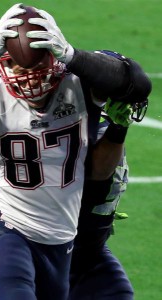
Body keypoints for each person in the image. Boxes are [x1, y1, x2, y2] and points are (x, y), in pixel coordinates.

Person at [0, 3, 151, 300]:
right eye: (17, 66)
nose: (28, 77)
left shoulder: (79, 78)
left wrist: (71, 54)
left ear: (54, 56)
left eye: (37, 67)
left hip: (65, 235)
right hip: (8, 225)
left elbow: (137, 83)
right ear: (5, 60)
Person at [69, 107, 134, 300]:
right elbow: (99, 171)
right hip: (53, 249)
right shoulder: (81, 128)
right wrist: (118, 128)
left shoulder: (96, 123)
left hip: (88, 250)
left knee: (117, 294)